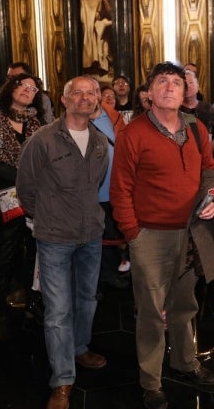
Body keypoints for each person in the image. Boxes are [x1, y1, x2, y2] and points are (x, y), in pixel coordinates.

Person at [110, 62, 214, 409]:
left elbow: (210, 169)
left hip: (192, 231)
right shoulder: (133, 133)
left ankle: (185, 362)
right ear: (149, 93)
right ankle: (151, 381)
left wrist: (212, 200)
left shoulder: (196, 128)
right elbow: (120, 189)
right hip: (150, 235)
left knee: (185, 304)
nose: (170, 87)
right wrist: (132, 233)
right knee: (152, 311)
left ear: (185, 93)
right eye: (162, 82)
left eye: (176, 83)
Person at [16, 75, 109, 409]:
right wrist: (43, 216)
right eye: (77, 93)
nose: (84, 98)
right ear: (65, 99)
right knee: (57, 310)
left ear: (98, 99)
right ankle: (62, 380)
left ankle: (80, 347)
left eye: (91, 93)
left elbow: (96, 184)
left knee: (87, 299)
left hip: (91, 236)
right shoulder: (43, 140)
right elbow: (25, 186)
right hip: (54, 237)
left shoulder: (99, 142)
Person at [0, 73, 46, 342]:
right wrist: (21, 177)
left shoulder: (35, 122)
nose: (29, 90)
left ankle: (33, 305)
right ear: (11, 88)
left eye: (34, 88)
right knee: (5, 254)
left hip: (36, 196)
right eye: (24, 86)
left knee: (35, 252)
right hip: (7, 193)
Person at [90, 80, 128, 290]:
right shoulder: (75, 119)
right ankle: (102, 276)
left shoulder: (114, 117)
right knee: (99, 235)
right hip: (91, 193)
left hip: (117, 188)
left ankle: (115, 271)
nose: (91, 96)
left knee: (115, 232)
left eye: (95, 91)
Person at [180, 66, 214, 134]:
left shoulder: (207, 108)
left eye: (191, 82)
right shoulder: (175, 110)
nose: (188, 86)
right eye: (184, 84)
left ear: (197, 86)